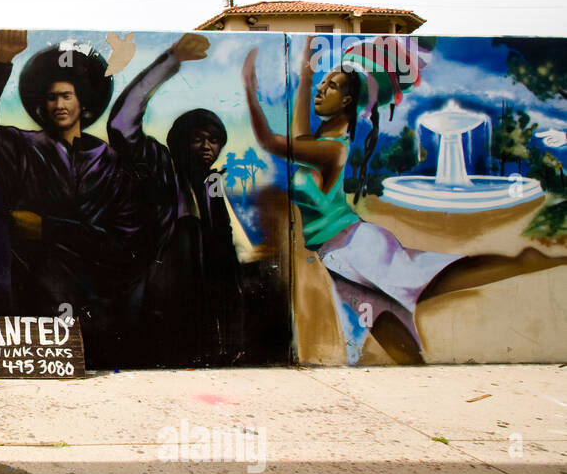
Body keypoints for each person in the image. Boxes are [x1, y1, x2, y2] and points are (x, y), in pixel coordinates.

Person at [242, 36, 567, 364]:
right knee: (384, 319)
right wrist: (306, 72)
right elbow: (297, 135)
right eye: (322, 84)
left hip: (356, 247)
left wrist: (249, 90)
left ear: (347, 100)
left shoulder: (332, 150)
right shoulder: (317, 144)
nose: (320, 91)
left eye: (331, 86)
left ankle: (523, 261)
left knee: (432, 280)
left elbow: (270, 141)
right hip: (336, 256)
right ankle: (417, 365)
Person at [0, 29, 152, 367]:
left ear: (82, 101)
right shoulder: (23, 149)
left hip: (100, 299)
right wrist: (0, 61)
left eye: (66, 96)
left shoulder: (107, 161)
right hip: (37, 294)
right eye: (52, 98)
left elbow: (125, 237)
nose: (60, 105)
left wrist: (49, 227)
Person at [106, 33, 244, 365]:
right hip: (156, 290)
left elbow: (223, 243)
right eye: (199, 138)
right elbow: (121, 122)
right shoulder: (158, 165)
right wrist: (172, 60)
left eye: (214, 140)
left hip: (200, 300)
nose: (208, 147)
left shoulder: (212, 185)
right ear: (181, 140)